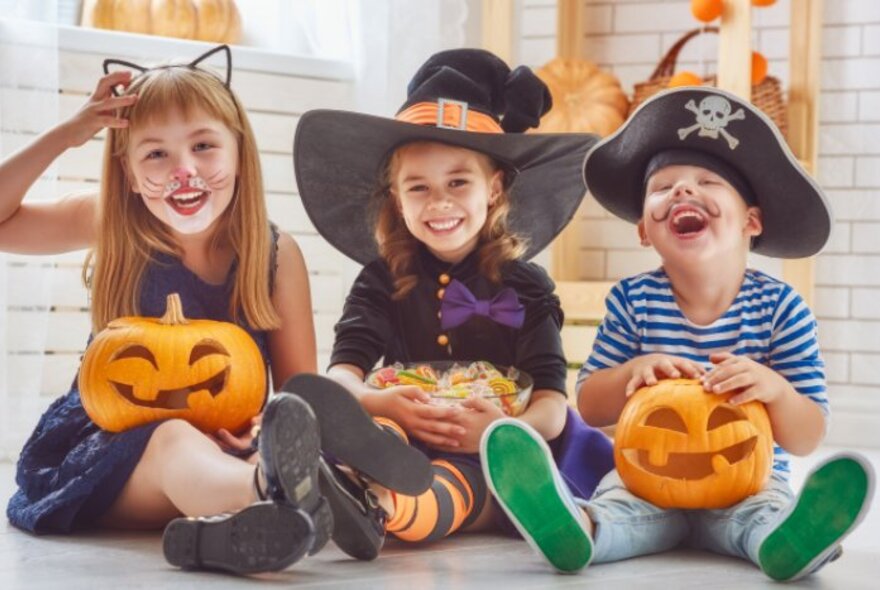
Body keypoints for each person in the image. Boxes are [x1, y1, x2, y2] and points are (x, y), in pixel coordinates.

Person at [1, 45, 429, 575]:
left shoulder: (273, 256)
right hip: (109, 457)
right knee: (174, 437)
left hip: (226, 450)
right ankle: (286, 491)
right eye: (155, 154)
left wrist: (262, 432)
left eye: (203, 146)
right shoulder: (114, 221)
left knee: (296, 435)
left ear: (239, 153)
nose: (184, 171)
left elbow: (297, 391)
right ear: (129, 174)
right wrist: (70, 133)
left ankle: (252, 521)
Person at [480, 86, 875, 581]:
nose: (683, 191)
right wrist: (632, 371)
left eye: (708, 181)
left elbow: (807, 435)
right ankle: (576, 528)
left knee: (759, 517)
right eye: (663, 188)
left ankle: (791, 540)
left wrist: (773, 389)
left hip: (746, 487)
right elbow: (593, 404)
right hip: (646, 483)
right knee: (618, 509)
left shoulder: (782, 309)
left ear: (751, 221)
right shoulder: (633, 301)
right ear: (645, 229)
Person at [292, 48, 615, 553]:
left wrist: (502, 432)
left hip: (494, 447)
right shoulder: (381, 279)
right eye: (418, 187)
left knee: (462, 483)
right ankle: (353, 482)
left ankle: (385, 508)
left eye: (457, 182)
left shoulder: (526, 287)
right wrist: (381, 402)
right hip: (399, 426)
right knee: (373, 432)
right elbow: (343, 376)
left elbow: (552, 406)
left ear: (494, 188)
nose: (438, 202)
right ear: (396, 199)